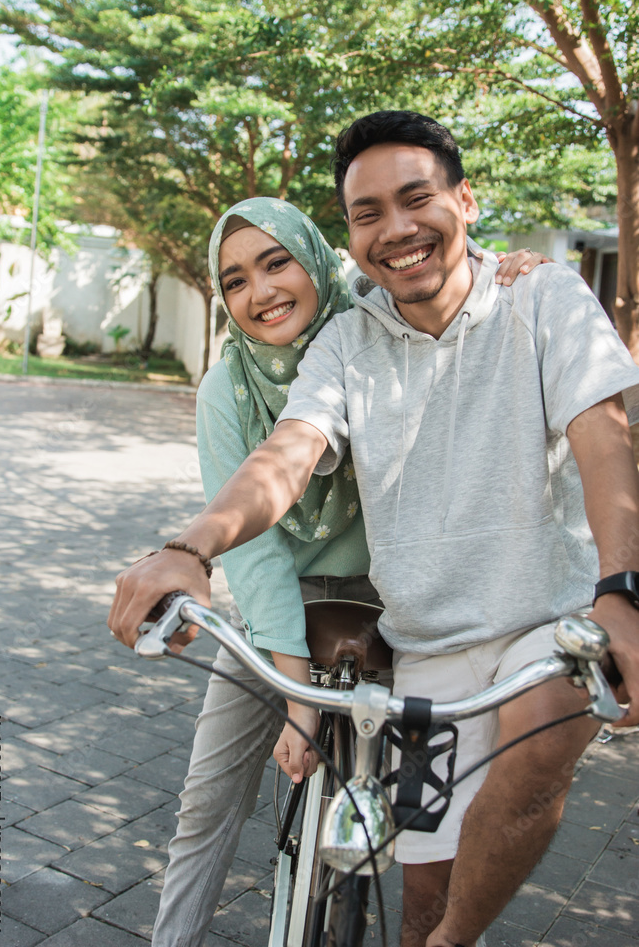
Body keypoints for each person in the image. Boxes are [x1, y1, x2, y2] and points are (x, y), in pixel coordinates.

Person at [111, 110, 639, 947]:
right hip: (418, 638)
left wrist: (620, 591)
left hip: (545, 619)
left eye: (416, 199)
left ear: (465, 201)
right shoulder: (347, 342)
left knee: (544, 733)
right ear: (350, 236)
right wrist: (190, 547)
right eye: (368, 214)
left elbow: (601, 430)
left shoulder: (540, 295)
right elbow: (287, 453)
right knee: (415, 885)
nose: (396, 230)